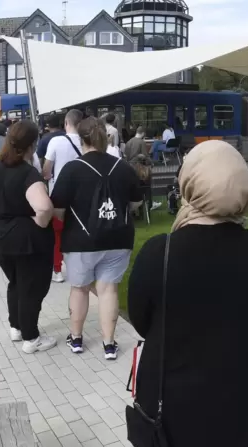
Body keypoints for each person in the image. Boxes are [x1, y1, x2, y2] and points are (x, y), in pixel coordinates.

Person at [127, 139, 248, 447]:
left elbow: (140, 319)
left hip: (170, 393)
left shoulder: (160, 251)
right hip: (234, 391)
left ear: (190, 181)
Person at [51, 116, 143, 360]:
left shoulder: (72, 169)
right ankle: (109, 344)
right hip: (118, 239)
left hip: (81, 241)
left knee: (79, 289)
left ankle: (77, 338)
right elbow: (136, 202)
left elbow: (58, 210)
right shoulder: (123, 167)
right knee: (108, 290)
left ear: (82, 140)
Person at [0, 120, 57, 353]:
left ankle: (16, 327)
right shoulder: (28, 174)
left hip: (2, 237)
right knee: (31, 288)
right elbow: (44, 208)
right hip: (27, 242)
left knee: (15, 283)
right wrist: (39, 221)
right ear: (32, 145)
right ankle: (31, 338)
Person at [43, 109, 84, 283]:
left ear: (66, 123)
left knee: (57, 235)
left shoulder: (56, 141)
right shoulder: (86, 141)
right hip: (82, 195)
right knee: (79, 231)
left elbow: (46, 171)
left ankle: (58, 270)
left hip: (58, 195)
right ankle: (80, 269)